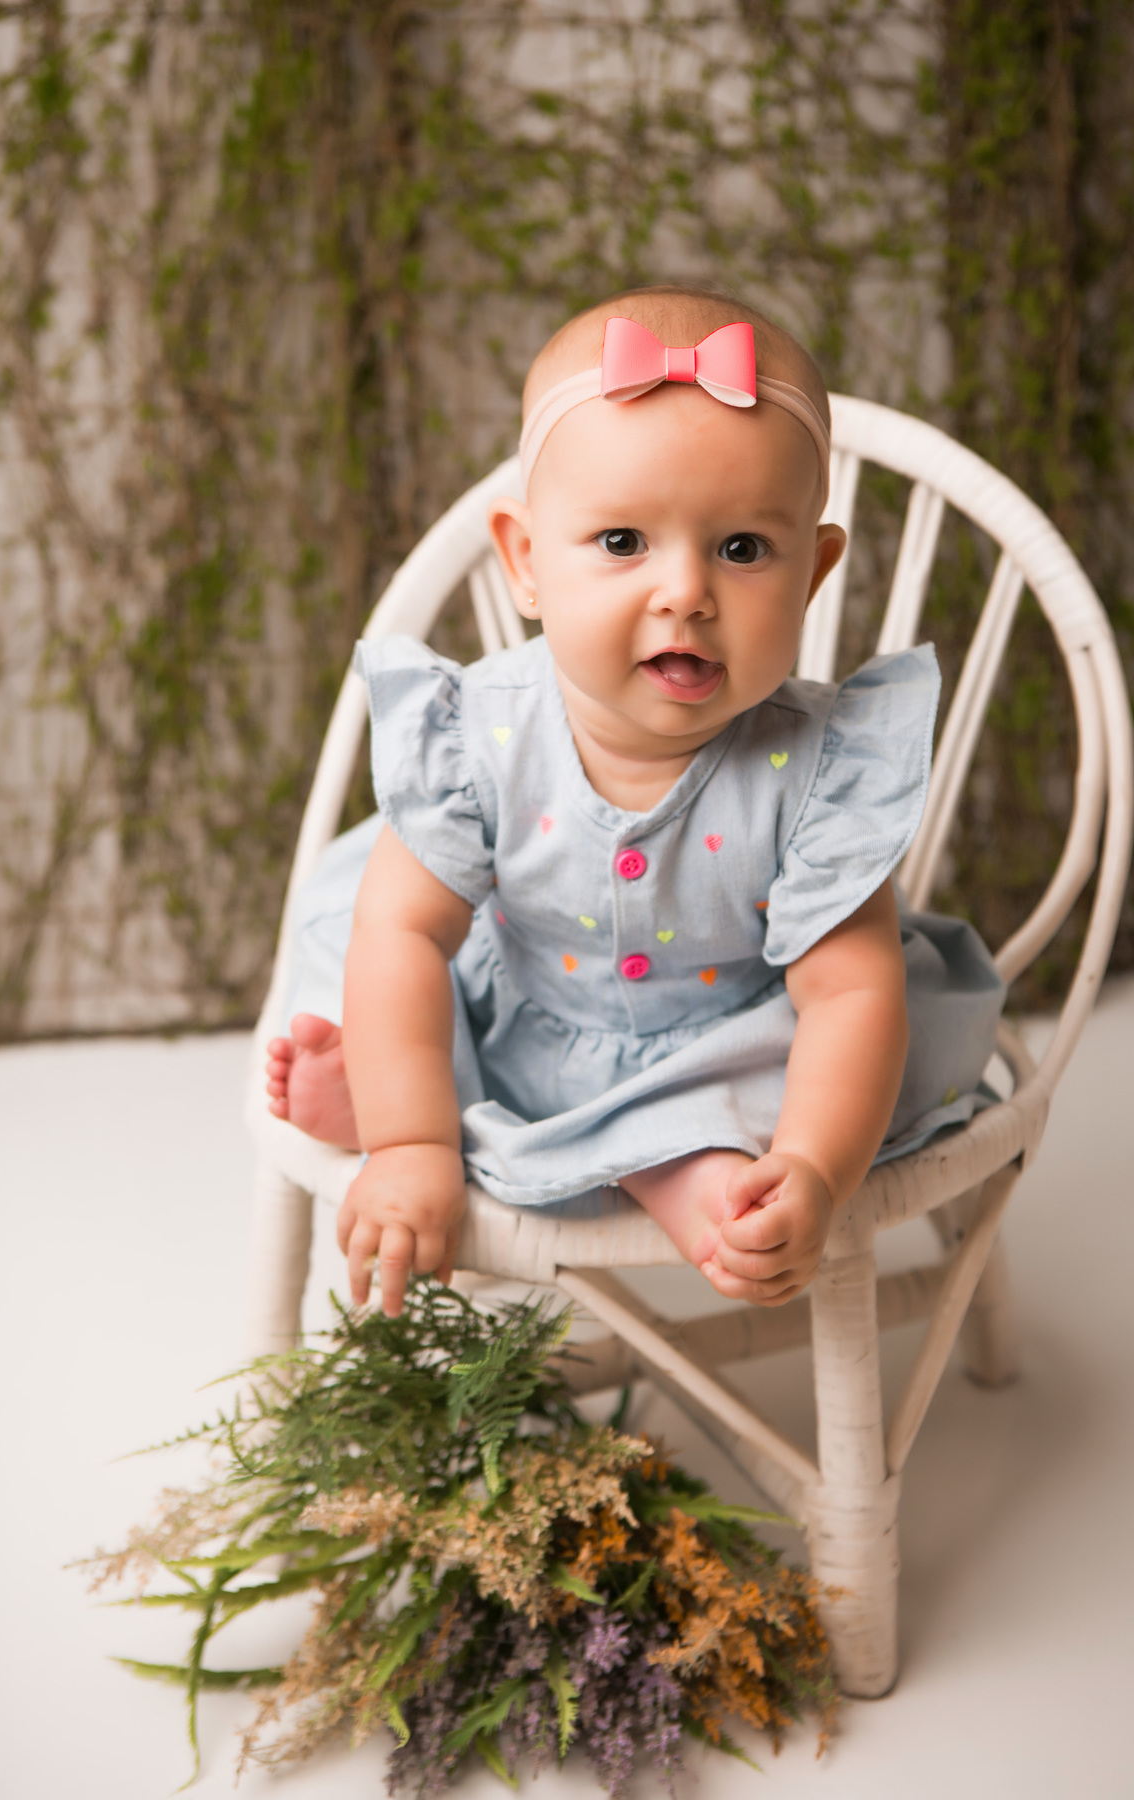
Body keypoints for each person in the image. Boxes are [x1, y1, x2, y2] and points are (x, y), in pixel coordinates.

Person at [265, 286, 1004, 1319]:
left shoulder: (820, 771)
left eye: (743, 549)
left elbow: (848, 995)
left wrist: (814, 1168)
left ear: (814, 573)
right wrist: (411, 1143)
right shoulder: (482, 740)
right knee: (378, 973)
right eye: (622, 543)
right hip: (524, 1008)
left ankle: (704, 1171)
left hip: (729, 1032)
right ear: (525, 560)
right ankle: (413, 1112)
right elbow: (404, 938)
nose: (685, 593)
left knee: (800, 1090)